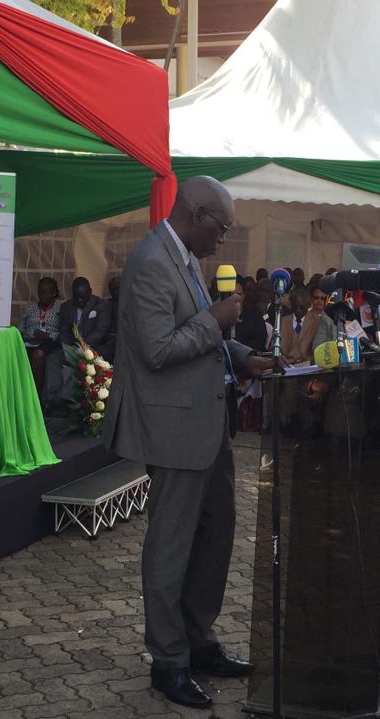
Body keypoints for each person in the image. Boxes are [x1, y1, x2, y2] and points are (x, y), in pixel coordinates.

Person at [103, 176, 270, 709]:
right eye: (221, 227)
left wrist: (243, 354)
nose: (224, 239)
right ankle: (168, 661)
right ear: (196, 215)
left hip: (209, 423)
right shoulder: (151, 261)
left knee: (217, 532)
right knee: (172, 545)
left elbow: (201, 333)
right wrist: (214, 319)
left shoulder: (187, 258)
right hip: (174, 428)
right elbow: (157, 349)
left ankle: (199, 639)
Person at [44, 276, 113, 409]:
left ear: (90, 292)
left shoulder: (102, 306)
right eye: (77, 297)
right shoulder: (66, 307)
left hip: (94, 347)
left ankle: (64, 399)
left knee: (81, 359)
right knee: (52, 359)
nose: (80, 301)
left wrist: (82, 346)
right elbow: (63, 331)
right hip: (71, 345)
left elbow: (100, 331)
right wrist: (66, 346)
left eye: (83, 297)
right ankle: (52, 399)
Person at [19, 277, 62, 388]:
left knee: (38, 354)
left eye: (46, 292)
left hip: (50, 343)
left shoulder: (61, 308)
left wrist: (49, 336)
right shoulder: (28, 308)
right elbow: (20, 330)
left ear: (53, 293)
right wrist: (27, 337)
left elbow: (65, 332)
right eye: (40, 292)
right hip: (30, 341)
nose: (42, 295)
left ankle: (35, 394)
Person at [279, 287, 314, 364]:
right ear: (291, 305)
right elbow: (274, 346)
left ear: (308, 305)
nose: (298, 310)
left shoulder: (316, 322)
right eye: (295, 306)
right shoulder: (282, 321)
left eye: (301, 307)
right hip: (286, 365)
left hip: (308, 366)